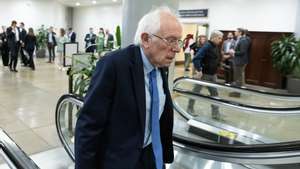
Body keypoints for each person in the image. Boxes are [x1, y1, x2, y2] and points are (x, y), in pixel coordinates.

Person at [75, 6, 182, 169]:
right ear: (146, 39)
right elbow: (89, 125)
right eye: (171, 40)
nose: (177, 48)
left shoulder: (160, 66)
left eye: (178, 41)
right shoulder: (114, 65)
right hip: (119, 161)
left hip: (151, 157)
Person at [187, 30, 226, 120]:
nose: (221, 40)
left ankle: (215, 114)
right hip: (204, 75)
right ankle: (189, 108)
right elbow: (196, 59)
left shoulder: (215, 46)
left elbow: (215, 58)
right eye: (219, 38)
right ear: (214, 37)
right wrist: (199, 70)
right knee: (196, 92)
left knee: (215, 94)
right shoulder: (207, 46)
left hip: (212, 75)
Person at [229, 28, 251, 97]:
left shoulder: (243, 40)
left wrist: (234, 52)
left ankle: (237, 93)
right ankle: (236, 92)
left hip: (240, 61)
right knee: (237, 77)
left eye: (236, 31)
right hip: (238, 60)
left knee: (238, 78)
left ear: (240, 32)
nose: (234, 32)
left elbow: (242, 52)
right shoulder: (240, 39)